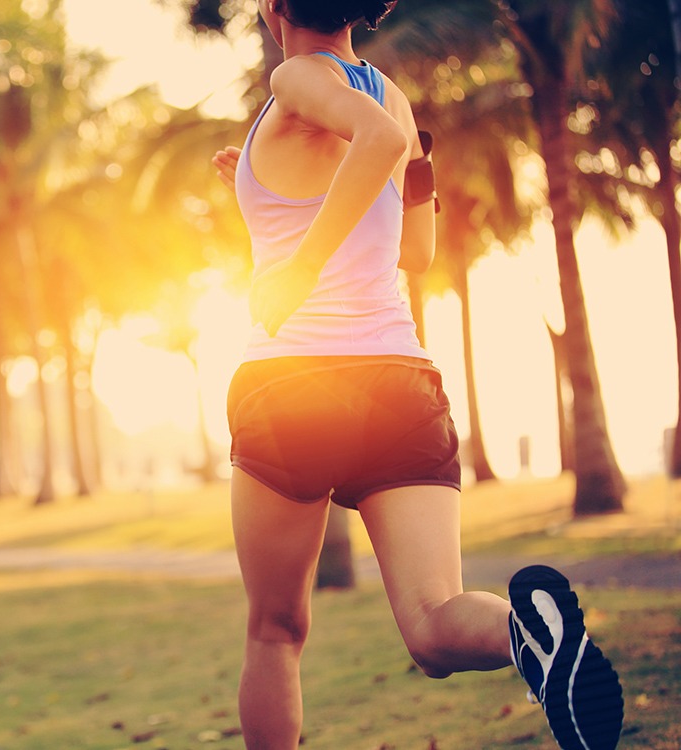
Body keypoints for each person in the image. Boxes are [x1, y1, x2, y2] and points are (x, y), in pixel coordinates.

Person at [211, 2, 625, 748]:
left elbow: (378, 143)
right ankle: (530, 636)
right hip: (399, 384)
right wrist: (255, 180)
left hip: (292, 384)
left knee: (275, 630)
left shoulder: (298, 75)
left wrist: (300, 270)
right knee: (434, 625)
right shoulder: (384, 91)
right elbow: (417, 252)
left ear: (275, 9)